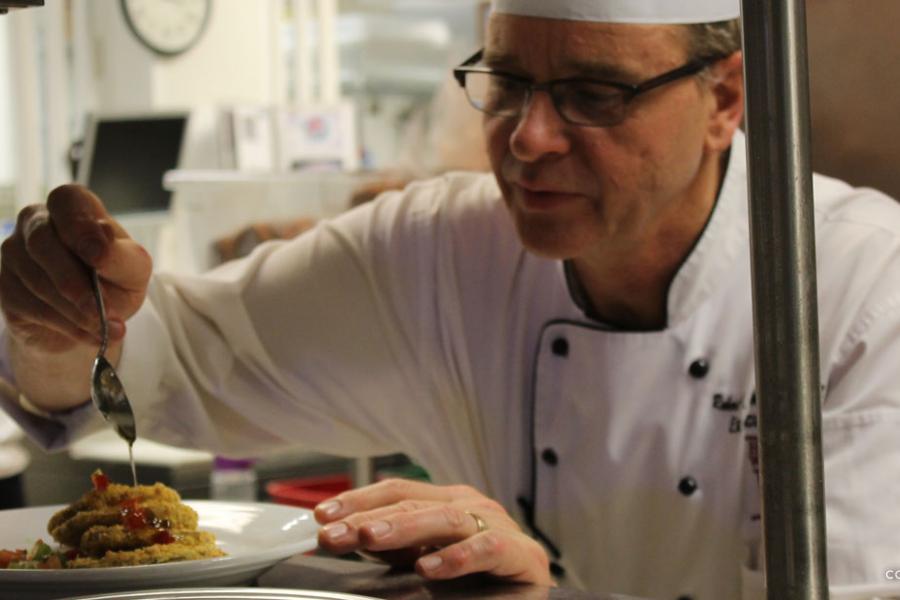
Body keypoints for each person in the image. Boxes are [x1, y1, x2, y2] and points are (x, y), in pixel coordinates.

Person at [1, 1, 899, 598]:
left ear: (726, 98)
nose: (528, 137)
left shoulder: (863, 289)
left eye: (593, 93)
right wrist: (58, 318)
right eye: (506, 83)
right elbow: (171, 358)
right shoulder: (440, 249)